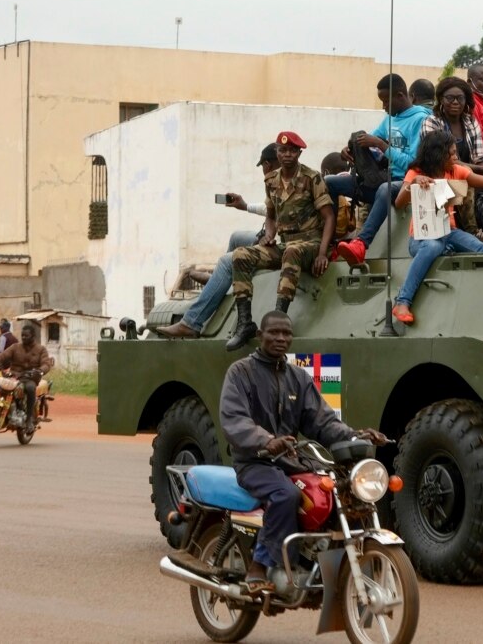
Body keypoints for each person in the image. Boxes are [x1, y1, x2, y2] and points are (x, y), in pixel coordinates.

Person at [219, 310, 388, 592]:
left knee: (334, 492)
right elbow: (234, 419)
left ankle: (313, 562)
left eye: (286, 333)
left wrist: (355, 435)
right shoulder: (241, 372)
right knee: (286, 495)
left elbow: (322, 421)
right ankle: (260, 566)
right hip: (254, 462)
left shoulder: (298, 377)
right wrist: (265, 440)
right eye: (274, 332)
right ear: (260, 336)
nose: (281, 338)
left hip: (290, 461)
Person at [390, 131, 483, 324]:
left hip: (448, 232)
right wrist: (413, 183)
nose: (456, 157)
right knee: (433, 246)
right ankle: (402, 302)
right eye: (452, 153)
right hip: (421, 238)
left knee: (479, 246)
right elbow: (398, 203)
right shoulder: (416, 172)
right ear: (439, 155)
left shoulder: (456, 170)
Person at [156, 145, 282, 339]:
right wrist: (245, 206)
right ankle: (222, 280)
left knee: (227, 262)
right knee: (236, 237)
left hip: (283, 244)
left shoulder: (293, 182)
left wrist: (272, 236)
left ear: (267, 164)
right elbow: (270, 211)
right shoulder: (276, 182)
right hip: (272, 237)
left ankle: (192, 322)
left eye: (263, 166)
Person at [225, 131, 335, 351]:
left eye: (292, 151)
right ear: (277, 152)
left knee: (292, 251)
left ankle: (278, 320)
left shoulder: (311, 178)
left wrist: (322, 253)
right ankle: (245, 323)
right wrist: (269, 234)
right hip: (285, 243)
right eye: (282, 150)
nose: (287, 155)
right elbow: (271, 214)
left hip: (310, 243)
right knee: (241, 255)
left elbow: (329, 216)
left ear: (299, 153)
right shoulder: (271, 181)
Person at [332, 74, 431, 266]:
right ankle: (329, 245)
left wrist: (381, 145)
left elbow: (413, 163)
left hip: (407, 183)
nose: (384, 106)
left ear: (401, 96)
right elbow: (371, 141)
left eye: (386, 101)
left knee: (385, 189)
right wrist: (352, 148)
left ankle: (361, 244)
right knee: (330, 183)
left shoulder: (421, 120)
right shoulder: (389, 119)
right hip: (381, 180)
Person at [0, 323, 54, 426]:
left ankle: (29, 419)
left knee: (30, 388)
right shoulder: (15, 347)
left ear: (33, 336)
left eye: (26, 336)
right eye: (22, 336)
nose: (23, 338)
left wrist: (40, 371)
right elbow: (3, 356)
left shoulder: (41, 349)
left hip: (29, 378)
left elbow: (46, 364)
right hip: (13, 377)